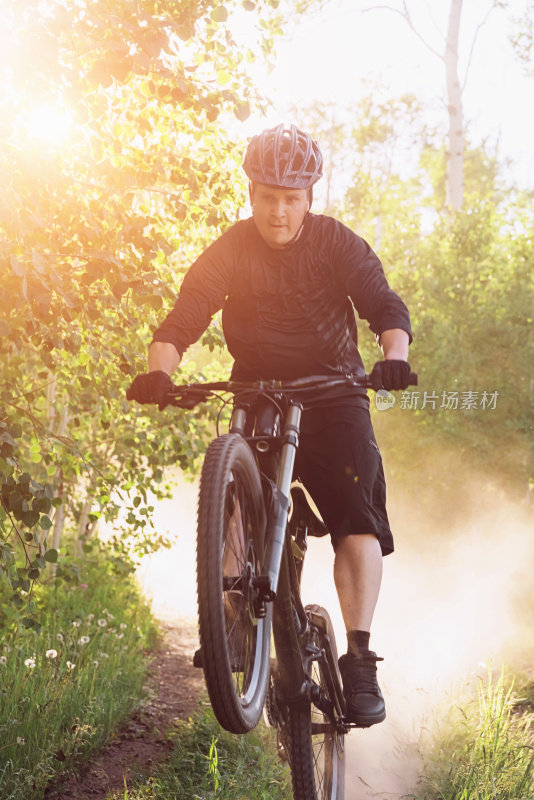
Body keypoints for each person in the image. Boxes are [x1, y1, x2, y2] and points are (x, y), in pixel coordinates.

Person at [127, 123, 413, 728]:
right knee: (231, 491)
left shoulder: (336, 244)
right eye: (267, 196)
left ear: (310, 196)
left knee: (357, 518)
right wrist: (160, 372)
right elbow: (185, 315)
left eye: (292, 198)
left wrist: (394, 357)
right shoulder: (231, 249)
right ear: (251, 194)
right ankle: (234, 621)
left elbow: (383, 303)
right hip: (257, 393)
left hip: (336, 394)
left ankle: (359, 657)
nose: (279, 211)